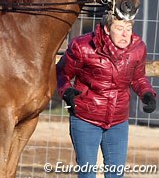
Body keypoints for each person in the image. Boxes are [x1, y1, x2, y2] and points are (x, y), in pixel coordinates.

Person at [56, 13, 156, 178]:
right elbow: (61, 73)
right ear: (107, 29)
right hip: (85, 118)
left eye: (128, 28)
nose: (125, 34)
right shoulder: (83, 47)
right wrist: (66, 91)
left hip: (118, 120)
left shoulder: (138, 48)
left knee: (116, 174)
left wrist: (147, 94)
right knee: (87, 173)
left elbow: (138, 78)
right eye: (119, 28)